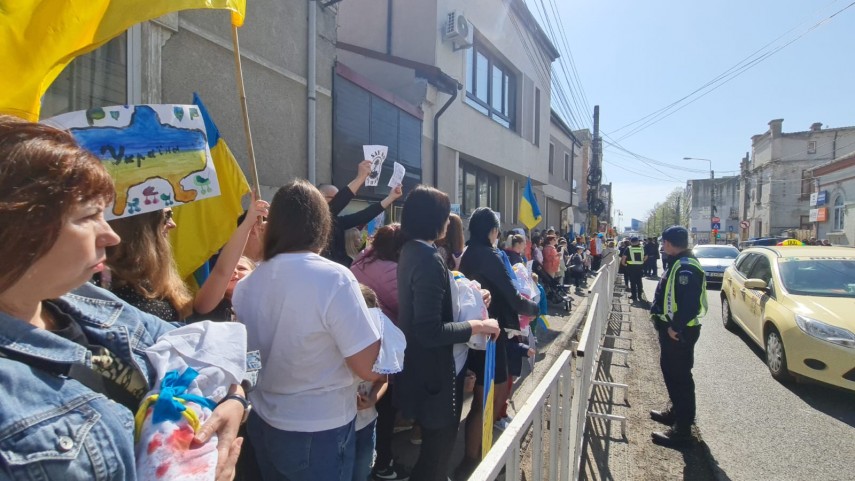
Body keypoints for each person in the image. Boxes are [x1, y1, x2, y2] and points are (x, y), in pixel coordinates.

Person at [0, 116, 246, 481]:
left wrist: (236, 401)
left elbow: (210, 350)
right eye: (89, 216)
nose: (110, 235)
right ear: (22, 231)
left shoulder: (89, 301)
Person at [233, 179, 383, 481]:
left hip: (263, 421)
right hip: (319, 429)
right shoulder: (335, 278)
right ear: (321, 226)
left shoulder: (246, 285)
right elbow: (366, 366)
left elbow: (249, 360)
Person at [395, 187, 499, 481]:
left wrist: (473, 293)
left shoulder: (413, 250)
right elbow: (429, 330)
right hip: (435, 374)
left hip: (423, 368)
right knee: (436, 456)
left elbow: (437, 304)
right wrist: (479, 326)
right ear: (435, 220)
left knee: (432, 456)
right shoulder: (428, 258)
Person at [456, 207, 539, 479]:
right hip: (491, 336)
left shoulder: (468, 253)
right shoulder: (490, 255)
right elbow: (513, 296)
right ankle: (476, 461)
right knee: (487, 399)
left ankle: (475, 458)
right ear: (492, 231)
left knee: (482, 399)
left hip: (474, 334)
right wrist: (535, 307)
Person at [349, 224, 411, 481]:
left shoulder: (357, 265)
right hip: (383, 350)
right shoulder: (394, 271)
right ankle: (383, 464)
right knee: (382, 411)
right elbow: (407, 308)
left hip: (357, 346)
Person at [648, 226, 707, 448]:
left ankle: (682, 431)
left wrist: (676, 327)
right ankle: (676, 413)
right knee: (671, 374)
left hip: (679, 333)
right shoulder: (679, 263)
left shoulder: (686, 268)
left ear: (672, 243)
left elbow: (690, 303)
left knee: (680, 379)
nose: (662, 246)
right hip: (673, 331)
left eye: (664, 243)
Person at [318, 161, 403, 267]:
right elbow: (338, 203)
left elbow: (364, 215)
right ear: (320, 199)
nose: (339, 200)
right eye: (335, 197)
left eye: (339, 196)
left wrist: (391, 198)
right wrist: (360, 178)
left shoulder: (338, 222)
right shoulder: (313, 222)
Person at [621, 236, 646, 303]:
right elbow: (646, 256)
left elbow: (624, 257)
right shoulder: (642, 248)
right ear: (638, 242)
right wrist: (642, 261)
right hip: (640, 267)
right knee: (639, 281)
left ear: (631, 242)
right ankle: (640, 296)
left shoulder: (628, 248)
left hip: (631, 267)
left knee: (632, 282)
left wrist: (624, 264)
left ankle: (634, 296)